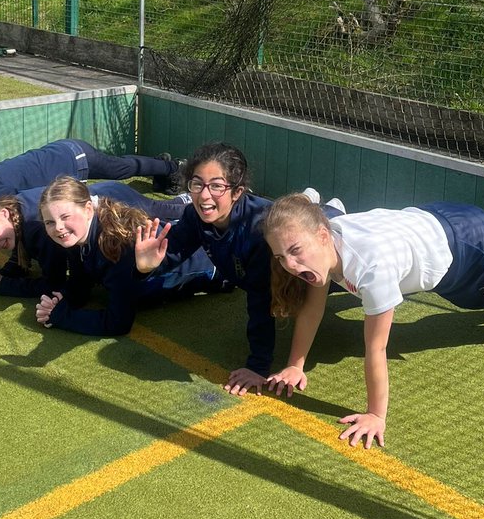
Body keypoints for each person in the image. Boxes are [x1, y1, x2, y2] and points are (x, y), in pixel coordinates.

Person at [262, 194, 484, 450]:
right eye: (281, 256)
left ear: (324, 235)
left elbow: (376, 347)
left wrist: (375, 416)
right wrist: (296, 365)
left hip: (469, 246)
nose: (290, 266)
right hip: (438, 219)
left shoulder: (371, 267)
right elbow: (312, 308)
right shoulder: (323, 233)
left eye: (296, 251)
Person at [133, 141, 344, 397]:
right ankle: (314, 202)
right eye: (197, 184)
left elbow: (261, 301)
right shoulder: (194, 217)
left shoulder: (256, 231)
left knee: (336, 285)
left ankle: (330, 211)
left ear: (237, 192)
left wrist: (258, 366)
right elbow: (171, 253)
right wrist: (145, 266)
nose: (205, 195)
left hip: (310, 263)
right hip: (281, 259)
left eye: (217, 186)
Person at [34, 177, 216, 336]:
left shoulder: (116, 246)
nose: (58, 227)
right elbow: (80, 283)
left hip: (215, 265)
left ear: (88, 209)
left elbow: (118, 323)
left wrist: (62, 317)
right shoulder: (76, 237)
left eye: (65, 216)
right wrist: (63, 299)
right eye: (50, 222)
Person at [0, 140, 183, 248]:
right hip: (62, 152)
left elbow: (11, 226)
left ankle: (170, 168)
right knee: (120, 167)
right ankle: (163, 167)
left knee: (120, 169)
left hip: (74, 159)